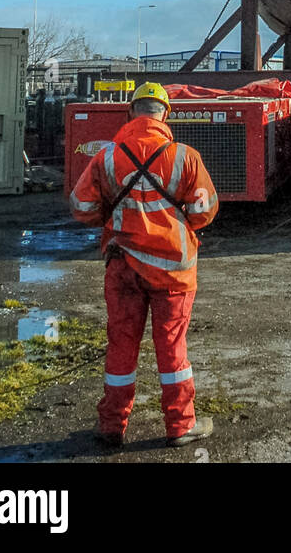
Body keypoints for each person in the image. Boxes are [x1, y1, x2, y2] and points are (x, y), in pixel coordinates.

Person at [69, 81, 218, 448]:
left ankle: (111, 426)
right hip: (173, 271)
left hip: (123, 267)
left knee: (121, 344)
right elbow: (204, 209)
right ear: (165, 114)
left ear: (131, 112)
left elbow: (81, 206)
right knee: (172, 348)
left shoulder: (106, 157)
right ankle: (181, 426)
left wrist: (112, 216)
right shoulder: (184, 156)